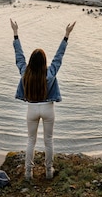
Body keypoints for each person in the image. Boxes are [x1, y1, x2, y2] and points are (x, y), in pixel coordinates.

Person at [10, 18, 76, 181]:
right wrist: (66, 35)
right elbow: (58, 57)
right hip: (48, 109)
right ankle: (48, 171)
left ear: (31, 61)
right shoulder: (50, 73)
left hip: (32, 109)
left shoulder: (26, 73)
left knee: (31, 141)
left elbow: (19, 57)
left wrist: (16, 33)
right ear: (44, 61)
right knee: (48, 141)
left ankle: (28, 173)